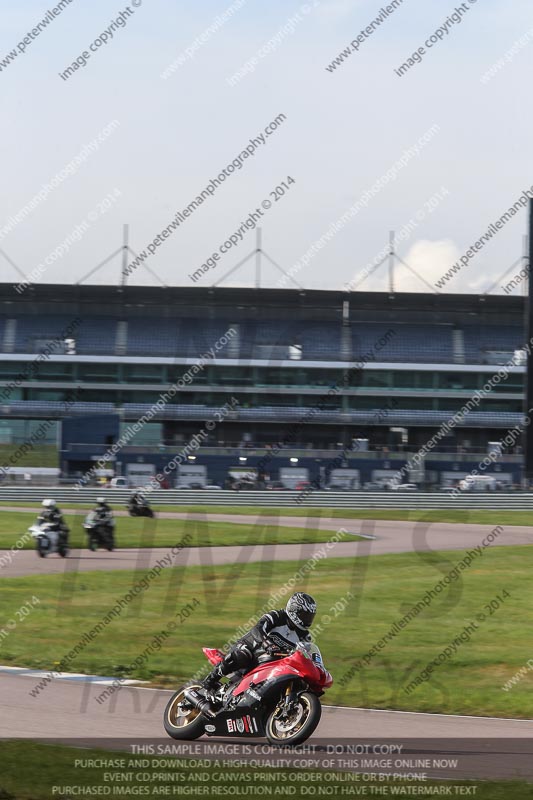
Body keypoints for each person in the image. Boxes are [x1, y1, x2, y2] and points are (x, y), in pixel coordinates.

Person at [200, 593, 317, 702]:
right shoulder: (277, 616)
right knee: (243, 655)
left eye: (310, 616)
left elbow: (305, 654)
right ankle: (208, 683)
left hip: (272, 662)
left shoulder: (305, 636)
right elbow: (257, 629)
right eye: (305, 615)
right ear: (294, 610)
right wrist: (267, 644)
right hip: (252, 648)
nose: (307, 619)